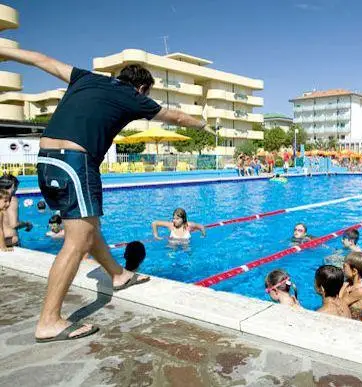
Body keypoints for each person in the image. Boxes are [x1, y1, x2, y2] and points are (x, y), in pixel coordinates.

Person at [0, 46, 215, 342]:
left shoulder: (85, 78)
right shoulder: (132, 96)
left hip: (46, 159)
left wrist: (6, 51)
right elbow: (175, 116)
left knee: (89, 229)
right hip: (74, 161)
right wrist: (204, 125)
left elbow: (43, 59)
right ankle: (49, 320)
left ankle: (117, 274)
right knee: (76, 242)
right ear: (141, 88)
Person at [0, 174, 33, 247]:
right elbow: (14, 224)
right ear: (13, 186)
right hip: (10, 241)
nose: (16, 189)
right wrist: (27, 224)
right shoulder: (12, 199)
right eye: (16, 187)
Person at [340, 252, 362, 320]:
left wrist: (343, 286)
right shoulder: (350, 282)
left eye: (344, 266)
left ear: (354, 271)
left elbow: (339, 304)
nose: (342, 269)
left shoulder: (360, 291)